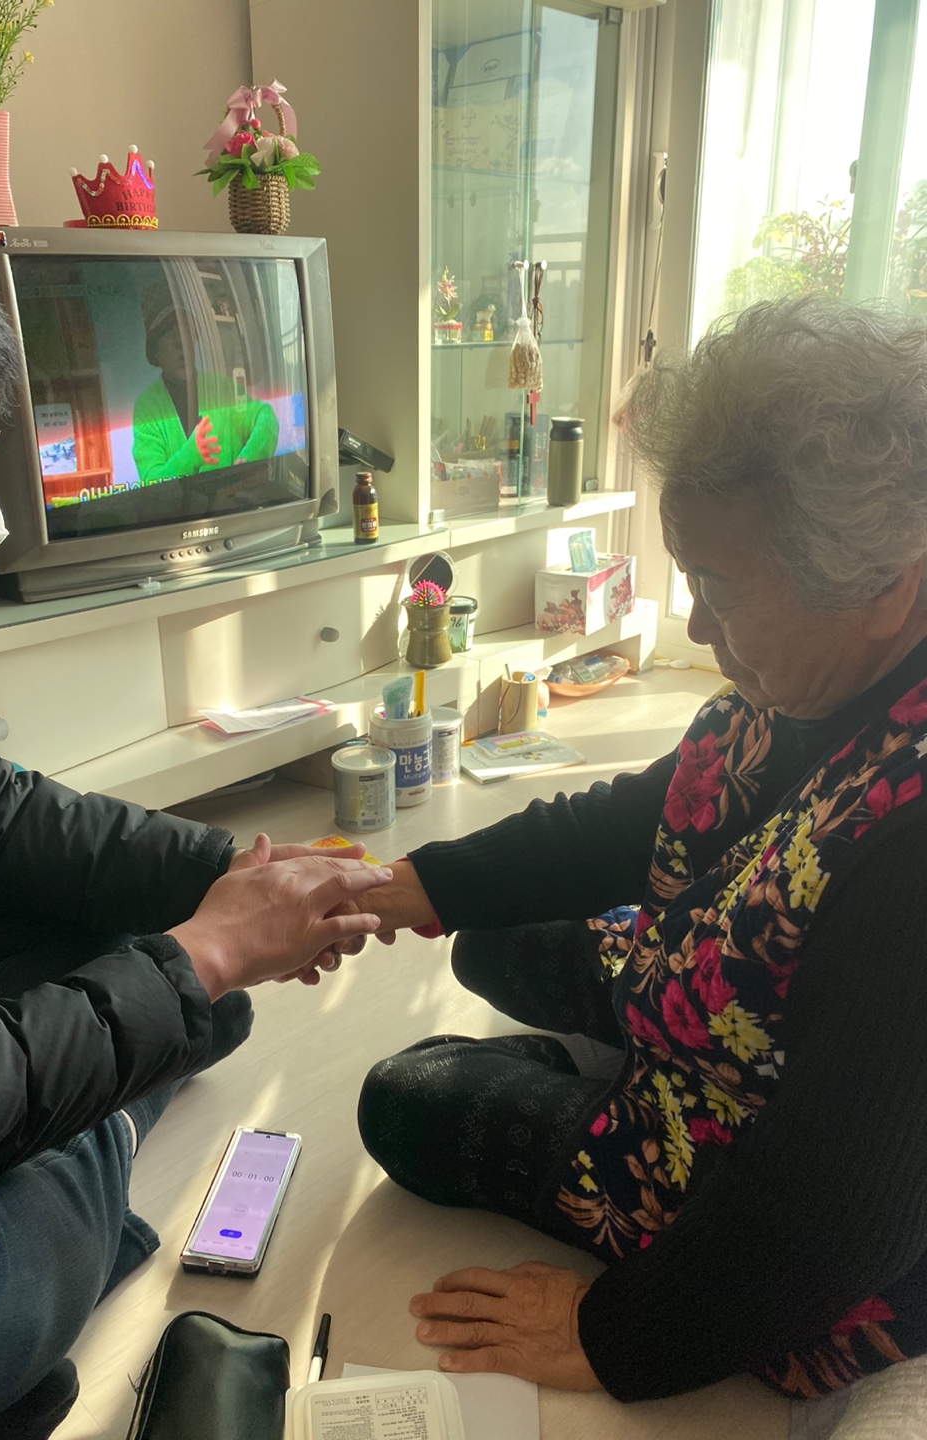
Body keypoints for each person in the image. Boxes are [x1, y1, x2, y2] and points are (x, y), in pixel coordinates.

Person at [0, 180, 387, 1440]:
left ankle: (62, 1142)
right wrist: (201, 960)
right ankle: (90, 1148)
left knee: (181, 967)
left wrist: (230, 877)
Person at [356, 296, 927, 1405]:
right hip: (751, 1012)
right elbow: (648, 813)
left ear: (883, 584)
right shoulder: (824, 676)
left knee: (406, 1098)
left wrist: (613, 1336)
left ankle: (644, 1084)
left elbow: (844, 1211)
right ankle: (645, 1055)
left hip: (813, 1211)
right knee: (488, 936)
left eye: (718, 588)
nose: (695, 624)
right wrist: (413, 885)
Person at [131, 280, 279, 484]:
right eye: (169, 334)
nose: (181, 344)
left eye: (185, 332)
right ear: (155, 351)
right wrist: (192, 454)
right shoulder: (147, 407)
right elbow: (150, 483)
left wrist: (248, 458)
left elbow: (265, 416)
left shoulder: (222, 386)